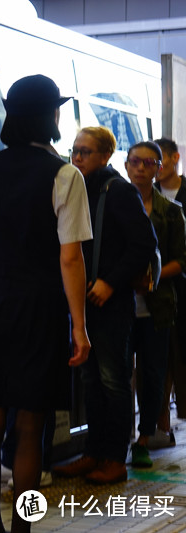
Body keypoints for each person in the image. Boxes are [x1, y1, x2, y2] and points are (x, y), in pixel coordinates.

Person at [0, 74, 91, 533]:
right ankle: (22, 531)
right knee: (31, 429)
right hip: (39, 304)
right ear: (48, 116)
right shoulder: (65, 174)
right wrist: (79, 326)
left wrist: (2, 253)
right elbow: (70, 257)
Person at [53, 126, 157, 484]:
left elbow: (144, 243)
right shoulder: (77, 187)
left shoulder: (118, 191)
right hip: (82, 302)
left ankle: (115, 458)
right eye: (74, 151)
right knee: (91, 381)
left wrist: (110, 281)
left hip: (110, 304)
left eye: (84, 152)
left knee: (113, 381)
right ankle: (93, 453)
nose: (76, 158)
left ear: (105, 156)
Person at [126, 141, 186, 467]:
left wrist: (152, 276)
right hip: (118, 303)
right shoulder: (113, 204)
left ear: (159, 168)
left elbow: (182, 260)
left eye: (148, 163)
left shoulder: (172, 213)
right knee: (119, 374)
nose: (140, 168)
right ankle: (111, 440)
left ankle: (144, 437)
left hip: (157, 305)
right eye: (135, 161)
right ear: (125, 164)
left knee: (152, 374)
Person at [153, 137, 186, 446]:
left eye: (161, 160)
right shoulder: (143, 197)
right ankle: (161, 423)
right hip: (156, 294)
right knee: (159, 360)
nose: (156, 168)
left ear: (175, 158)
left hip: (180, 286)